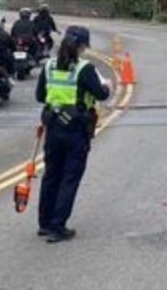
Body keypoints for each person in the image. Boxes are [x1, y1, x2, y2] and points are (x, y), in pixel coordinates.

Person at [35, 26, 110, 243]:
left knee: (51, 175)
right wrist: (106, 87)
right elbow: (101, 94)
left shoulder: (48, 66)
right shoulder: (84, 69)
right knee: (70, 178)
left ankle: (45, 223)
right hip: (76, 129)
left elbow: (40, 96)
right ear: (81, 46)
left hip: (54, 127)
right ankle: (58, 226)